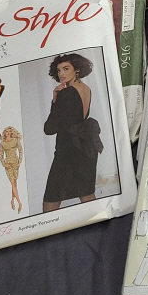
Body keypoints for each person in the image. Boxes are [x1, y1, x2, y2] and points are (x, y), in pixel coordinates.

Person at [42, 53, 103, 212]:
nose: (61, 74)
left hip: (68, 151)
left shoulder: (66, 93)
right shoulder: (86, 89)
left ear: (76, 69)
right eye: (59, 70)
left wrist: (55, 100)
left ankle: (47, 228)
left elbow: (49, 128)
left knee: (51, 198)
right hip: (85, 149)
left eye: (66, 69)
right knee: (86, 194)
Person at [0, 126, 24, 213]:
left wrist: (19, 162)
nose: (8, 133)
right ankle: (19, 202)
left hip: (15, 163)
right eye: (6, 131)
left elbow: (20, 151)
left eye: (9, 131)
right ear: (4, 133)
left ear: (12, 132)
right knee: (13, 183)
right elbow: (1, 155)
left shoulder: (16, 140)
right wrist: (4, 164)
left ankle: (12, 200)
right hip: (8, 165)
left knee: (14, 184)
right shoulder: (2, 143)